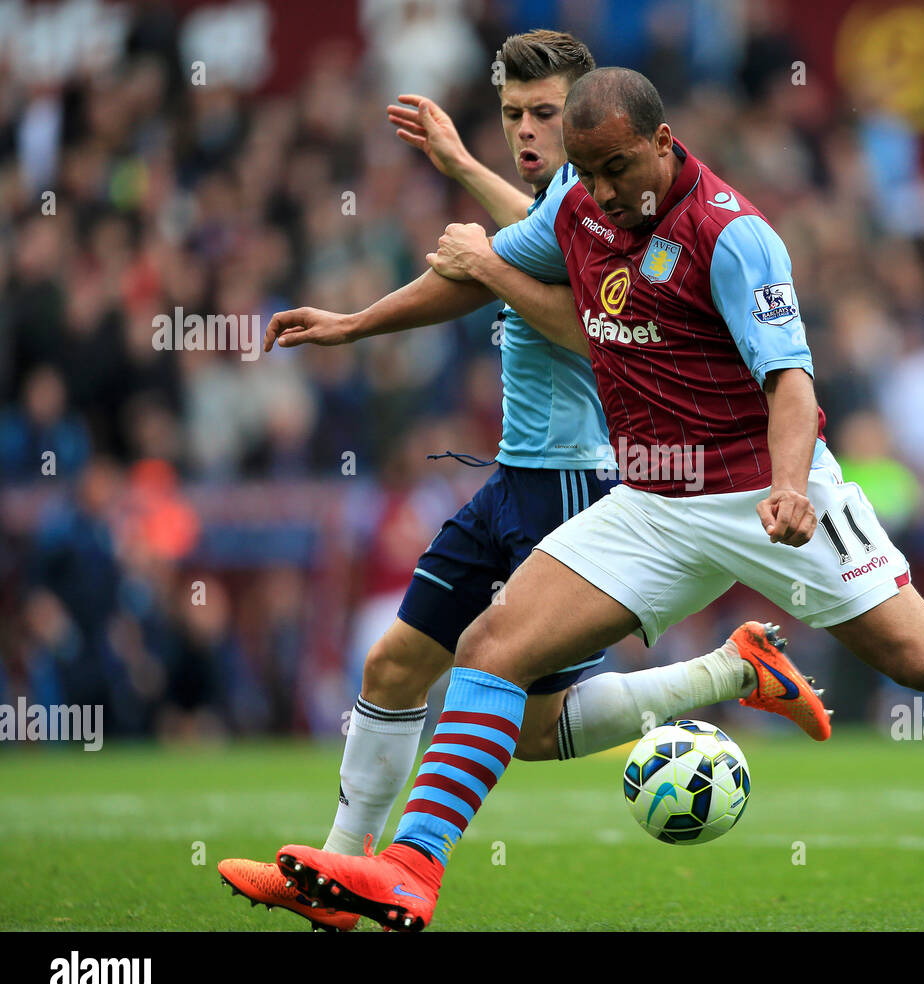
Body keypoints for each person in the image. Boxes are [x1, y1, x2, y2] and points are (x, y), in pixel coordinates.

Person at [276, 67, 924, 932]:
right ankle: (409, 869)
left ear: (664, 141)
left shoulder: (735, 237)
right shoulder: (579, 209)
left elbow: (791, 387)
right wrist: (353, 324)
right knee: (490, 648)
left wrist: (788, 488)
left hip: (764, 491)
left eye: (617, 169)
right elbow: (483, 273)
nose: (605, 192)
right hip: (651, 500)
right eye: (588, 172)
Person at [219, 38, 828, 932]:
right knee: (392, 666)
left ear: (591, 119)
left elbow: (589, 317)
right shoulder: (561, 215)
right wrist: (352, 324)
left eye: (547, 114)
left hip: (579, 484)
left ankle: (729, 669)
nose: (529, 132)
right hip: (509, 479)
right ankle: (339, 878)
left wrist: (462, 171)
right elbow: (474, 271)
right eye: (513, 116)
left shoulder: (613, 218)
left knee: (533, 728)